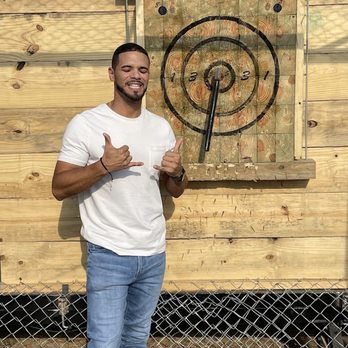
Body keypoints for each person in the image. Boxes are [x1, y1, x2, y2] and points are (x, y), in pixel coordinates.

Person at [51, 42, 188, 347]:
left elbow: (174, 191)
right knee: (105, 342)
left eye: (142, 69)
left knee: (137, 339)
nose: (135, 75)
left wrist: (177, 173)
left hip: (153, 253)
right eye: (127, 68)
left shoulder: (160, 127)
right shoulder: (87, 124)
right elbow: (59, 187)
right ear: (112, 73)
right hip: (109, 253)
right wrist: (102, 166)